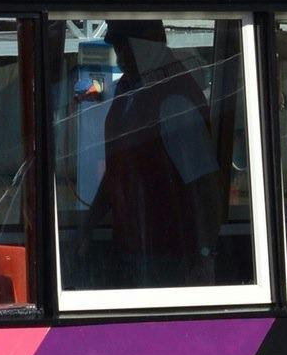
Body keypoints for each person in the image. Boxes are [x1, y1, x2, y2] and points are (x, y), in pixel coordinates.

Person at [82, 21, 222, 287]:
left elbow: (204, 185)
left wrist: (205, 255)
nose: (120, 58)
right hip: (131, 247)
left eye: (124, 48)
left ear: (143, 47)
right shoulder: (128, 90)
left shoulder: (173, 99)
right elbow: (117, 170)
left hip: (169, 255)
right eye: (118, 48)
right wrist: (88, 225)